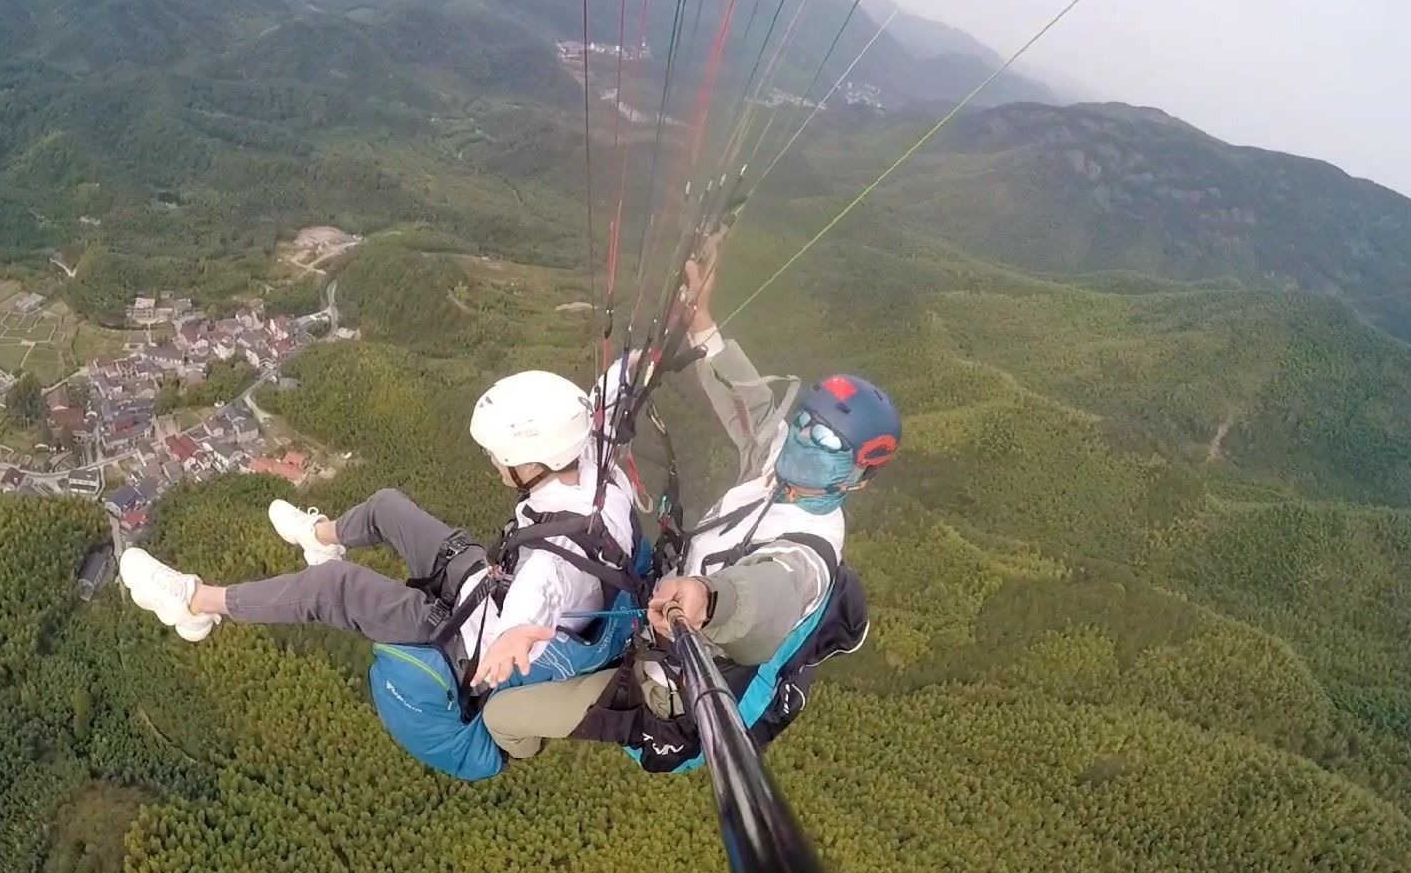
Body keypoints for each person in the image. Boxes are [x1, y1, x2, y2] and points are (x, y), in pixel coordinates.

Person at [483, 230, 901, 766]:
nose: (803, 438)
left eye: (828, 442)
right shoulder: (784, 465)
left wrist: (711, 598)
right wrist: (701, 319)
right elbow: (752, 409)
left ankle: (518, 752)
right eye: (806, 422)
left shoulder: (808, 553)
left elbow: (771, 592)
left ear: (859, 477)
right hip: (662, 612)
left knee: (501, 716)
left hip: (676, 697)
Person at [118, 366, 638, 693]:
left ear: (533, 462)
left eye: (499, 457)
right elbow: (605, 396)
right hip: (488, 589)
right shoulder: (592, 457)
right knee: (387, 505)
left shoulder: (551, 564)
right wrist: (685, 320)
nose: (493, 465)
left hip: (472, 638)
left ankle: (194, 605)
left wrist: (509, 641)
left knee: (335, 588)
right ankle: (319, 537)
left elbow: (535, 598)